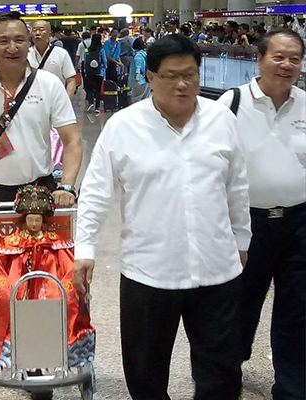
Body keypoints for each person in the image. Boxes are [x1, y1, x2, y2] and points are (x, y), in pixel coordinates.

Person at [74, 34, 251, 400]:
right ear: (150, 77)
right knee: (145, 375)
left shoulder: (221, 119)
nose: (182, 84)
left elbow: (237, 185)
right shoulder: (124, 126)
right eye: (171, 76)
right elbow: (95, 189)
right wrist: (85, 247)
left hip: (216, 269)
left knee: (221, 373)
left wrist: (242, 239)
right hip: (149, 271)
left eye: (190, 74)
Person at [218, 28, 306, 400]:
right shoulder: (233, 102)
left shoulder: (305, 103)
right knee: (240, 304)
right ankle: (225, 371)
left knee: (298, 307)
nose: (286, 65)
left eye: (294, 59)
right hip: (246, 223)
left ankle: (293, 386)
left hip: (299, 223)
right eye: (278, 57)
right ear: (259, 60)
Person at [0, 11, 82, 209]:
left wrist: (66, 186)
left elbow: (72, 139)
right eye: (3, 41)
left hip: (40, 190)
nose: (12, 48)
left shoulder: (49, 83)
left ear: (28, 44)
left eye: (19, 40)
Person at [0, 185, 95, 370]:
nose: (34, 224)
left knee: (67, 297)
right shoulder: (12, 243)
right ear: (24, 220)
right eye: (31, 219)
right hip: (18, 289)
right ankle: (11, 349)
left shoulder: (54, 242)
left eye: (38, 220)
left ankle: (60, 347)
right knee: (3, 296)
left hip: (49, 287)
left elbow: (67, 266)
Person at [28, 19, 77, 98]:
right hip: (32, 100)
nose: (37, 33)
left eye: (41, 30)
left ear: (50, 34)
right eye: (34, 30)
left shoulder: (61, 53)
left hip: (56, 99)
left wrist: (66, 100)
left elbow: (71, 79)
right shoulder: (25, 54)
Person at [84, 34, 104, 113]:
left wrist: (85, 70)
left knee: (89, 88)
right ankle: (97, 107)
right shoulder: (101, 50)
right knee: (98, 90)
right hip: (99, 73)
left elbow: (85, 59)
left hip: (89, 72)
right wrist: (103, 68)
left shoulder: (87, 49)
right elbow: (104, 61)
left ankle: (91, 102)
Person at [128, 38, 150, 103]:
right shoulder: (144, 54)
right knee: (145, 100)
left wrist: (137, 79)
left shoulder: (138, 56)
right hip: (146, 80)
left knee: (136, 99)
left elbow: (138, 67)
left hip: (140, 80)